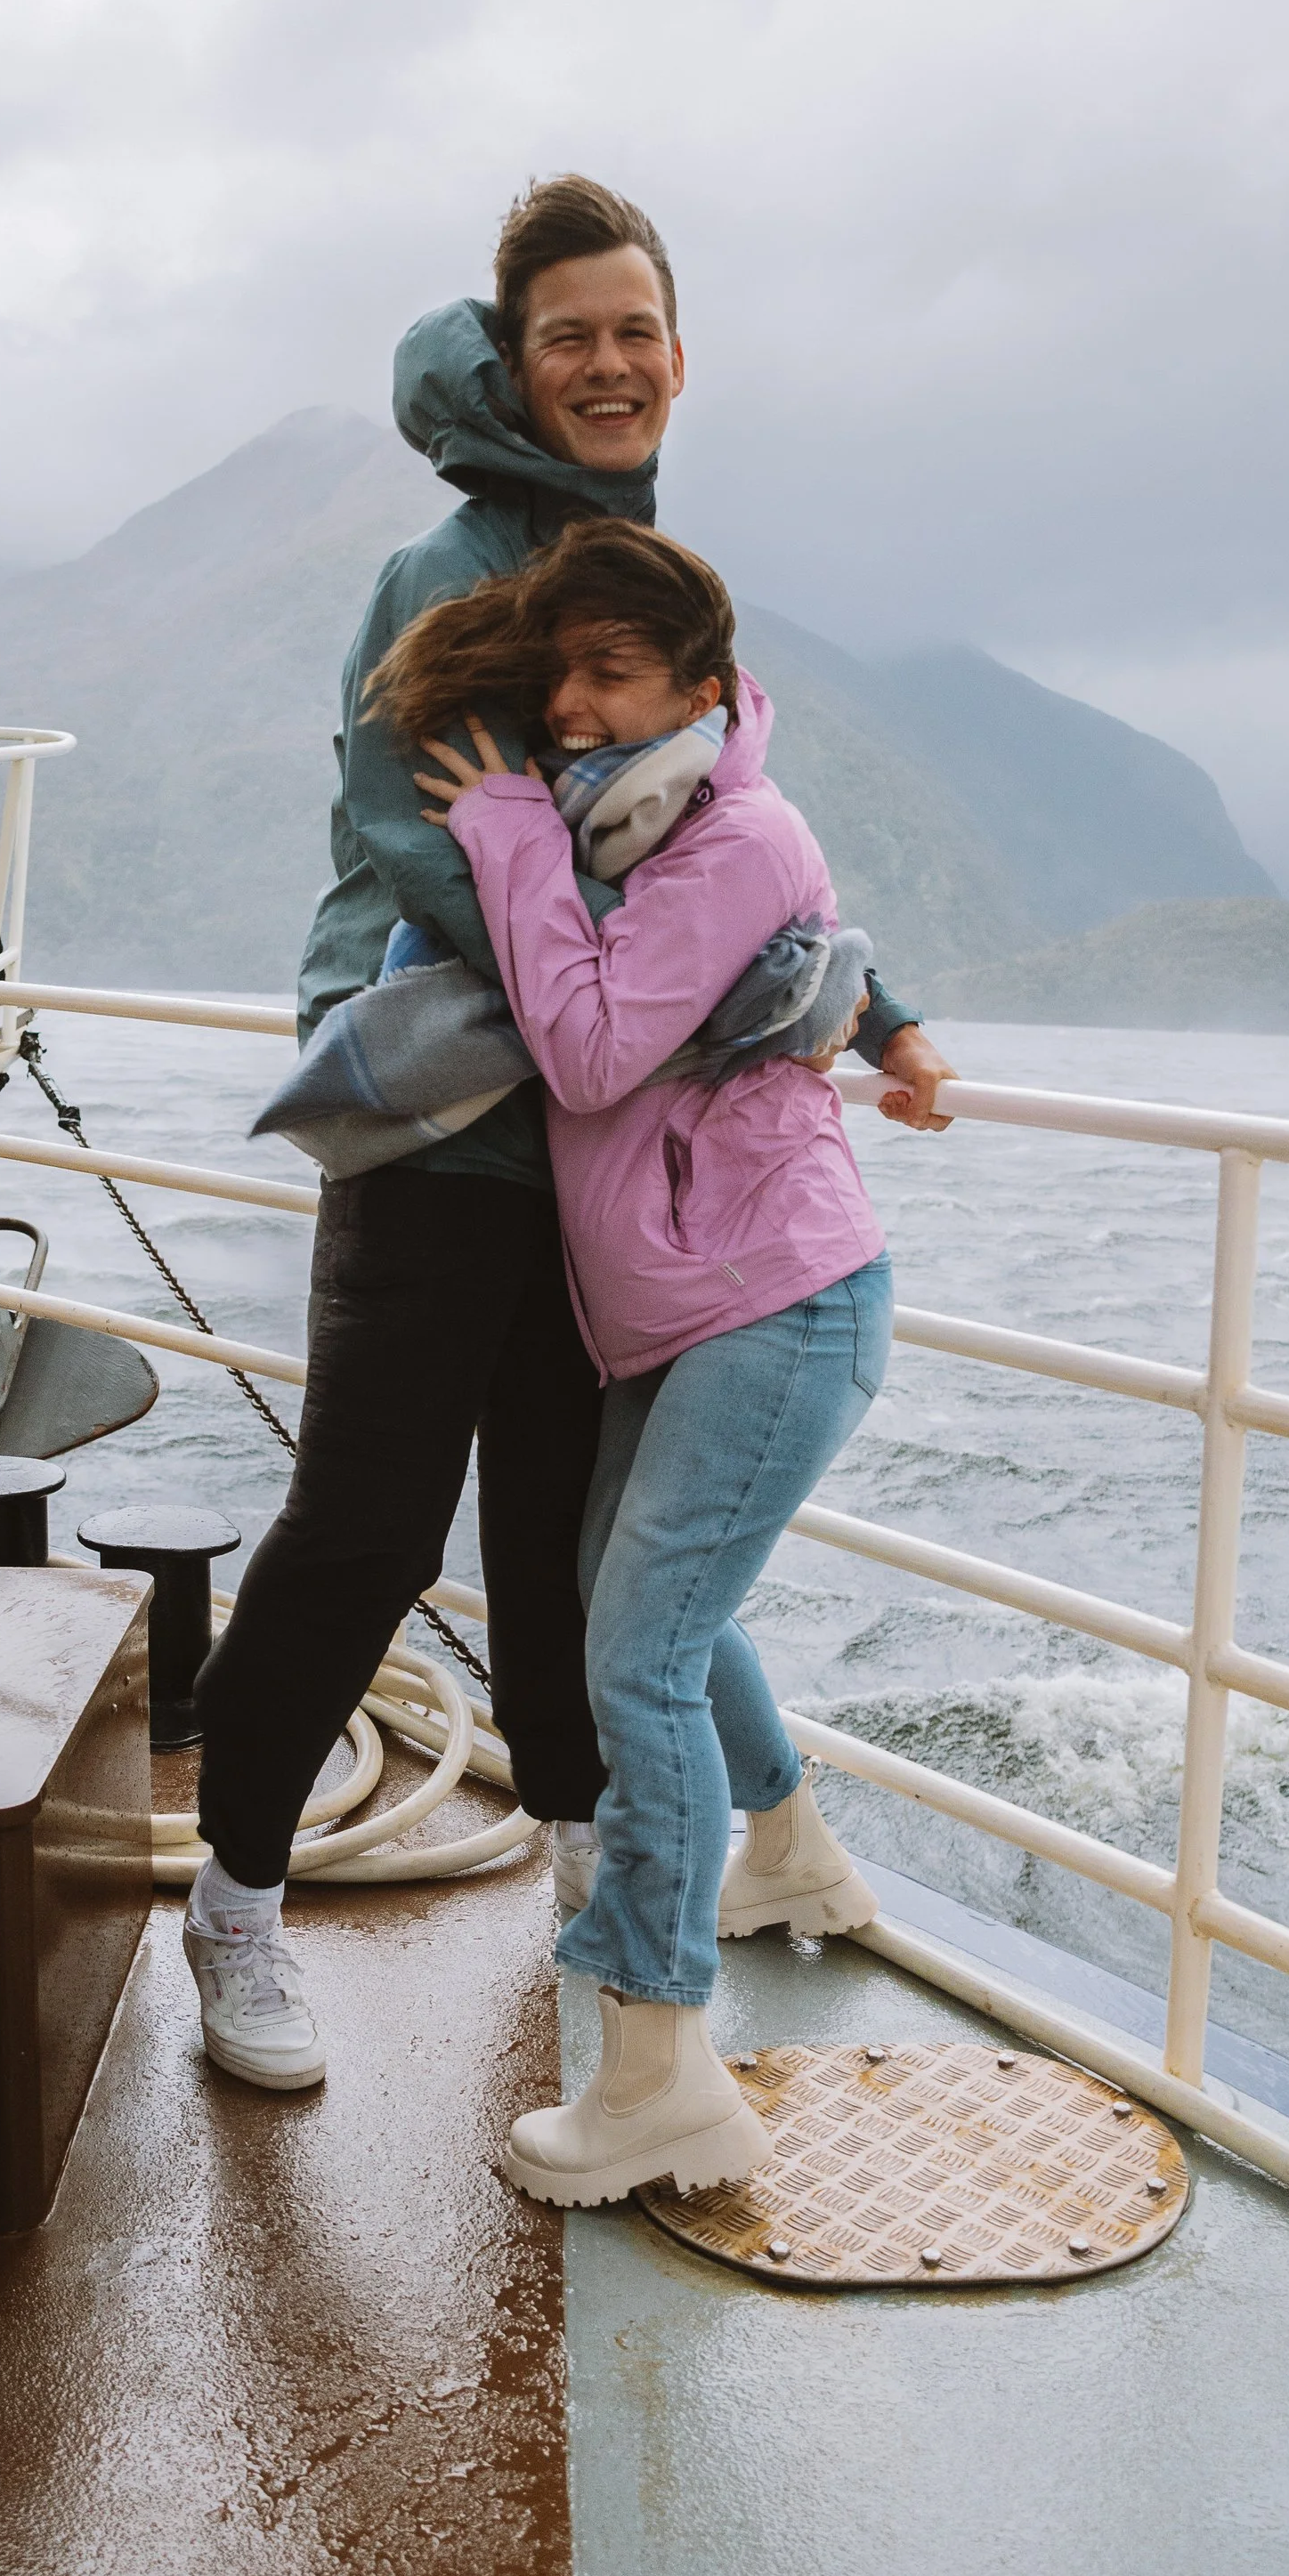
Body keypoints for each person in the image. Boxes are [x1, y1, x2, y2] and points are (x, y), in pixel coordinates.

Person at [183, 178, 953, 2094]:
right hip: (445, 1140)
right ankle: (234, 1901)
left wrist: (887, 1002)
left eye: (634, 331)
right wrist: (595, 999)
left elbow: (724, 841)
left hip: (598, 1163)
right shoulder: (445, 573)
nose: (606, 365)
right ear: (512, 359)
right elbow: (392, 829)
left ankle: (593, 1870)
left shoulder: (646, 572)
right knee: (363, 1523)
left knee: (554, 1536)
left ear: (675, 355)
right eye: (568, 337)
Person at [406, 522, 899, 2204]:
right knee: (656, 1610)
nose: (574, 706)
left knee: (638, 1652)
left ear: (702, 687)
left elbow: (599, 1048)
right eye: (563, 678)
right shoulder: (658, 817)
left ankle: (659, 2070)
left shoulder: (729, 832)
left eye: (612, 672)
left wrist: (505, 827)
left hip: (777, 1298)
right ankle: (794, 1853)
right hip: (696, 1304)